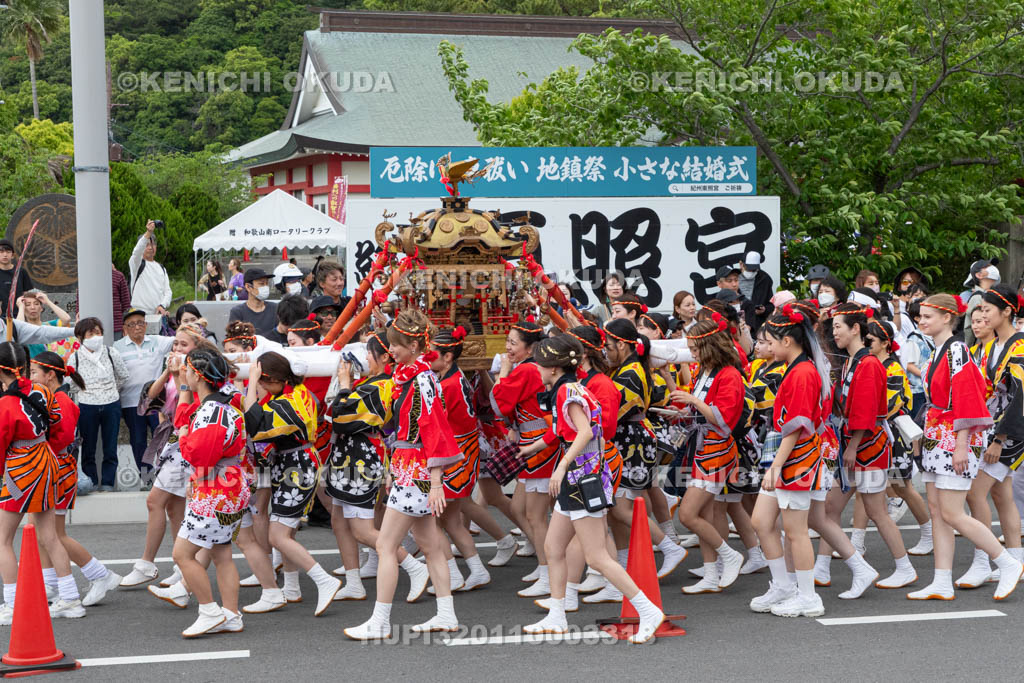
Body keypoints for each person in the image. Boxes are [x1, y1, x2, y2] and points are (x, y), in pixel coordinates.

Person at [522, 335, 666, 643]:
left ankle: (648, 610)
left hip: (582, 477)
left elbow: (585, 432)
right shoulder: (573, 387)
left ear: (553, 367)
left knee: (597, 556)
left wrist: (562, 466)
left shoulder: (566, 392)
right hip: (583, 476)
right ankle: (557, 616)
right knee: (553, 547)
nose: (537, 369)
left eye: (540, 364)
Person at [344, 310, 463, 640]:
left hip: (416, 469)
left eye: (395, 344)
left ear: (413, 345)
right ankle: (446, 614)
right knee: (430, 545)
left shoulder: (421, 380)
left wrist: (436, 482)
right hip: (411, 466)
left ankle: (380, 620)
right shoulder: (414, 375)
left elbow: (435, 430)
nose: (391, 350)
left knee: (386, 544)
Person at [909, 293, 1022, 601]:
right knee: (937, 511)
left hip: (955, 437)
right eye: (920, 316)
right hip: (938, 433)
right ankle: (941, 581)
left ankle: (1007, 562)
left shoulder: (957, 350)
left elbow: (967, 398)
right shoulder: (939, 350)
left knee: (952, 512)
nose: (921, 321)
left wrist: (961, 445)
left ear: (947, 317)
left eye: (927, 316)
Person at [326, 330, 430, 602]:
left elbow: (341, 418)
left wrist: (345, 385)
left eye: (369, 354)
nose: (364, 359)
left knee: (362, 529)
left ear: (384, 357)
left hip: (362, 459)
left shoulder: (381, 386)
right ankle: (354, 582)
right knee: (339, 520)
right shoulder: (372, 383)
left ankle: (413, 566)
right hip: (350, 456)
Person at [822, 303, 916, 591]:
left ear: (855, 329)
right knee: (829, 509)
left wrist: (852, 446)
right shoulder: (852, 361)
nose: (834, 332)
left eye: (838, 326)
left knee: (876, 511)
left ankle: (905, 568)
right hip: (853, 446)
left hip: (869, 447)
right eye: (833, 326)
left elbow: (866, 410)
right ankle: (821, 568)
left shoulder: (869, 363)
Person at [749, 305, 832, 617]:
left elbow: (796, 427)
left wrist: (775, 466)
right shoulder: (796, 368)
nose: (767, 347)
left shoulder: (803, 372)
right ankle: (783, 586)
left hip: (797, 458)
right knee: (761, 521)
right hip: (789, 456)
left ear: (787, 341)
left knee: (795, 530)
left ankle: (808, 597)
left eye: (770, 341)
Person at [243, 351, 342, 614]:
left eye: (263, 381)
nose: (262, 387)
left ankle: (324, 580)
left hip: (297, 467)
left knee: (277, 535)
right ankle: (292, 587)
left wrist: (251, 383)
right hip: (294, 463)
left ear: (275, 378)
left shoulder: (288, 402)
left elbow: (254, 424)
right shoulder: (296, 393)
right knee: (287, 532)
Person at [120, 323, 213, 589]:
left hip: (187, 441)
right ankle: (181, 566)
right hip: (171, 441)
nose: (177, 348)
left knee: (154, 501)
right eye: (175, 344)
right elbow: (150, 401)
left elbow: (190, 407)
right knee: (174, 508)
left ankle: (147, 564)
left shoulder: (199, 374)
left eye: (184, 344)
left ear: (196, 348)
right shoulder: (175, 371)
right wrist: (168, 372)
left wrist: (181, 376)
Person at [0, 342, 84, 624]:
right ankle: (70, 598)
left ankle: (13, 604)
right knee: (50, 536)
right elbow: (59, 426)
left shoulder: (6, 403)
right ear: (24, 366)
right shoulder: (43, 391)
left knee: (3, 540)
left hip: (20, 468)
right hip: (47, 462)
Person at [30, 352, 122, 607]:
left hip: (58, 471)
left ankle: (99, 575)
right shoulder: (54, 398)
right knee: (41, 533)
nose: (31, 377)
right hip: (51, 469)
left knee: (55, 534)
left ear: (50, 375)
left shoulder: (61, 400)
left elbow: (63, 440)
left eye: (34, 372)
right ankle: (51, 585)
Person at [172, 348, 251, 637]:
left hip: (216, 489)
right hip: (230, 484)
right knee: (222, 553)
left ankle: (210, 611)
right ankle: (231, 614)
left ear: (198, 375)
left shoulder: (210, 413)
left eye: (187, 370)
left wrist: (183, 438)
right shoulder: (227, 407)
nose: (185, 375)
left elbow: (199, 456)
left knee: (182, 554)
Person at [670, 313, 749, 594]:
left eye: (695, 349)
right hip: (702, 448)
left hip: (716, 452)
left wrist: (692, 400)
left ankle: (730, 555)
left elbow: (724, 420)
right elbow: (702, 412)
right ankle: (711, 574)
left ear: (708, 347)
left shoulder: (730, 375)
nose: (691, 354)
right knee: (703, 513)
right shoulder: (705, 371)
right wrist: (681, 411)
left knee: (687, 514)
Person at [956, 284, 1024, 588]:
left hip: (1011, 430)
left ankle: (983, 561)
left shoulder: (1019, 346)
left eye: (986, 309)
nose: (981, 314)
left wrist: (999, 439)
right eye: (979, 309)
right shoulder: (993, 344)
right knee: (1001, 495)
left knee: (975, 493)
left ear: (1007, 311)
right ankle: (1017, 559)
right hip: (994, 427)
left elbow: (1020, 396)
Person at [491, 321, 560, 598]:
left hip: (539, 447)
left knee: (536, 515)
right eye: (507, 341)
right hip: (535, 444)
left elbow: (500, 402)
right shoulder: (533, 367)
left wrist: (503, 372)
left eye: (513, 343)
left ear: (530, 348)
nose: (508, 348)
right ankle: (549, 565)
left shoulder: (527, 369)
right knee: (521, 509)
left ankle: (549, 571)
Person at [429, 327, 491, 593]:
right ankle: (477, 570)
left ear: (447, 357)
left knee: (431, 521)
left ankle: (452, 575)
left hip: (453, 456)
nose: (428, 356)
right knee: (451, 521)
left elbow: (435, 424)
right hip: (463, 452)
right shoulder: (455, 378)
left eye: (432, 352)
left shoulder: (447, 385)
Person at [67, 318, 129, 491]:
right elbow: (71, 383)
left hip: (111, 404)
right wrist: (87, 390)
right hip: (87, 405)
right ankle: (91, 482)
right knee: (88, 447)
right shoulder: (75, 357)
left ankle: (108, 483)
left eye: (98, 332)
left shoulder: (111, 352)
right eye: (91, 333)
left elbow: (123, 375)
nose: (95, 336)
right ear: (81, 337)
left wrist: (110, 390)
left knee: (110, 446)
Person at [115, 308, 175, 482]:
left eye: (140, 323)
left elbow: (179, 339)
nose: (137, 327)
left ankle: (164, 476)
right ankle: (147, 478)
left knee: (163, 437)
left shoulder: (157, 341)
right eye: (132, 324)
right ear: (125, 328)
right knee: (138, 441)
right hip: (131, 402)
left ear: (146, 325)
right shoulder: (117, 347)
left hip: (157, 402)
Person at [129, 221, 172, 317]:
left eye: (152, 244)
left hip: (158, 315)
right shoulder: (136, 263)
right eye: (146, 245)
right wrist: (148, 233)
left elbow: (168, 291)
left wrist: (162, 305)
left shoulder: (161, 268)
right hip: (139, 316)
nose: (150, 248)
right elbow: (137, 251)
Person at [16, 290, 72, 358]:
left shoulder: (50, 325)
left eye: (36, 304)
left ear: (41, 308)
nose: (32, 307)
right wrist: (21, 307)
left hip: (51, 362)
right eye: (28, 305)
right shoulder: (25, 330)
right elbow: (18, 328)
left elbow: (66, 319)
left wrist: (48, 301)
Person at [228, 268, 278, 338]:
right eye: (261, 284)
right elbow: (234, 339)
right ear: (248, 287)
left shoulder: (275, 308)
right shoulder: (238, 312)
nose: (265, 287)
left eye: (267, 284)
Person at [965, 262, 1001, 347]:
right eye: (988, 266)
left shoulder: (991, 295)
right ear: (979, 275)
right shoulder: (977, 298)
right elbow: (969, 328)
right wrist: (969, 349)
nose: (993, 268)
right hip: (981, 347)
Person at [738, 251, 774, 332]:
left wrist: (764, 310)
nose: (751, 272)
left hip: (758, 327)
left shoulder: (764, 279)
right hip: (738, 325)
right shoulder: (734, 278)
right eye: (748, 269)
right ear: (741, 264)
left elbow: (771, 305)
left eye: (754, 270)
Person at [0, 238, 32, 318]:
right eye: (1, 252)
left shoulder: (21, 272)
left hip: (20, 315)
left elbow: (27, 294)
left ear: (13, 255)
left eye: (8, 252)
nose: (5, 255)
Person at [111, 264, 131, 338]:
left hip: (116, 327)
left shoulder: (118, 276)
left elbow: (126, 305)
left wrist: (127, 326)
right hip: (91, 328)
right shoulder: (86, 276)